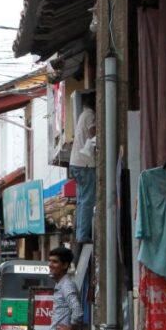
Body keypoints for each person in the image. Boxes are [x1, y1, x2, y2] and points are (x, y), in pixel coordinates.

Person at [69, 93, 96, 244]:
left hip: (76, 162)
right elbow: (93, 132)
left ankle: (80, 234)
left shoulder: (82, 116)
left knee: (81, 201)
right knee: (87, 201)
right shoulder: (90, 115)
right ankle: (83, 235)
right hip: (85, 163)